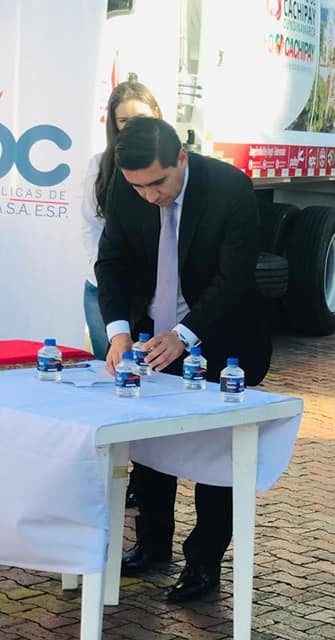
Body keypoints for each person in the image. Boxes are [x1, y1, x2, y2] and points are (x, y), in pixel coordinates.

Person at [96, 116, 272, 602]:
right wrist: (118, 332)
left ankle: (203, 563)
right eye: (139, 187)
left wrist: (184, 335)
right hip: (151, 339)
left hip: (223, 338)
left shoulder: (230, 188)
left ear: (181, 157)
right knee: (151, 450)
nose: (150, 196)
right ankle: (152, 545)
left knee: (217, 458)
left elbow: (233, 279)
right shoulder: (126, 187)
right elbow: (112, 263)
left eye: (158, 183)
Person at [80, 78, 161, 360]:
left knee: (151, 368)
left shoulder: (170, 164)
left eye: (141, 118)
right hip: (105, 286)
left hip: (153, 290)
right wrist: (107, 275)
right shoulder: (99, 166)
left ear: (156, 114)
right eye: (124, 120)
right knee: (109, 365)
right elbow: (91, 226)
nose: (133, 127)